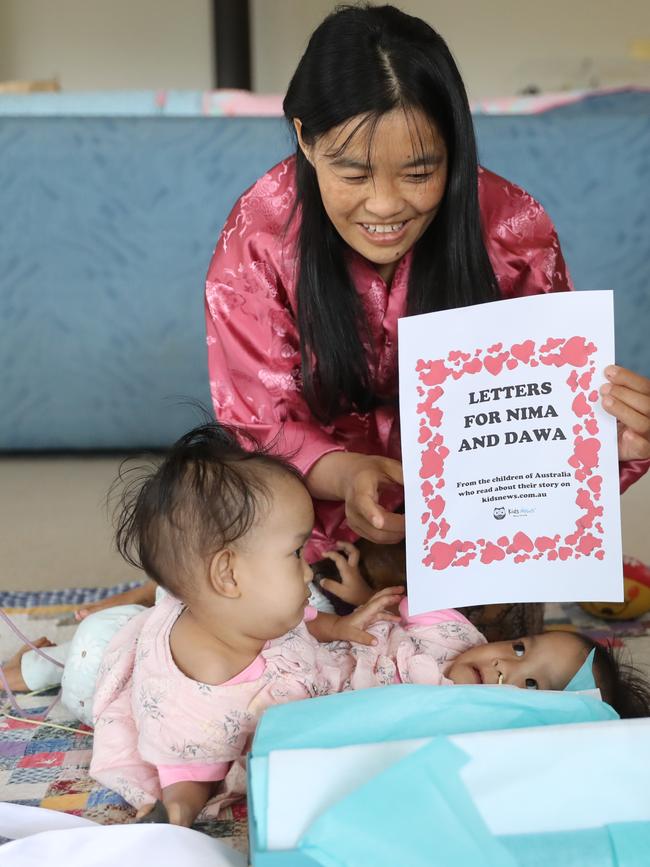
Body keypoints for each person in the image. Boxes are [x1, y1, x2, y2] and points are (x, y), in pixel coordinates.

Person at [76, 4, 650, 637]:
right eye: (351, 172)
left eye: (420, 172)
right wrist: (347, 475)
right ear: (304, 137)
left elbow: (545, 426)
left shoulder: (513, 229)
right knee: (252, 630)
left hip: (472, 533)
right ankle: (160, 597)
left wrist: (609, 446)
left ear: (454, 147)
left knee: (482, 666)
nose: (384, 205)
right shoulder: (260, 237)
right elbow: (257, 420)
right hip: (310, 533)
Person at [3, 422, 648, 829]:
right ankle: (43, 659)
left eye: (531, 688)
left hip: (287, 672)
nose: (508, 666)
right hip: (209, 655)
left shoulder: (466, 737)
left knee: (221, 648)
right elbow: (407, 605)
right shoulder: (459, 638)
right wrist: (365, 597)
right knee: (95, 654)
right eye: (521, 645)